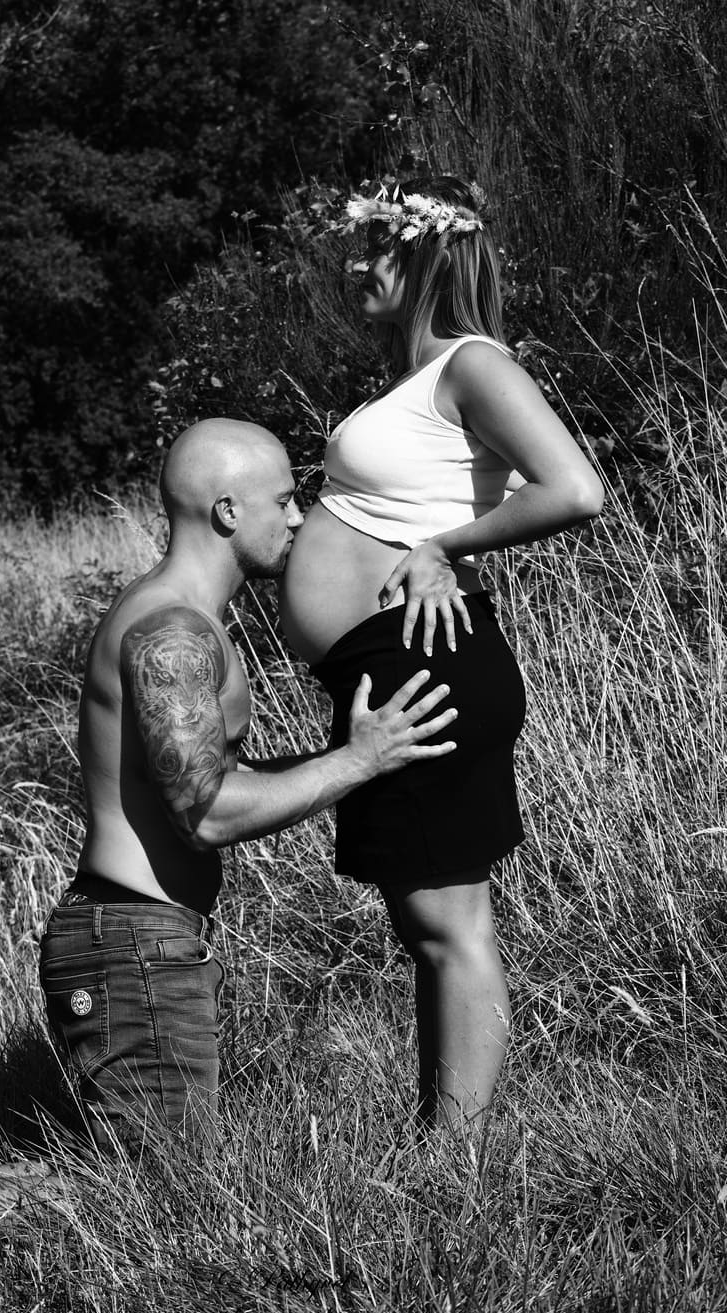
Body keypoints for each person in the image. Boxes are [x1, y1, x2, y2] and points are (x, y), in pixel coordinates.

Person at [0, 417, 458, 1236]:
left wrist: (351, 754)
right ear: (227, 511)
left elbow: (201, 778)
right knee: (153, 1203)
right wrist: (358, 762)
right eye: (284, 500)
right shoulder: (173, 631)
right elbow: (208, 811)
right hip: (131, 941)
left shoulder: (180, 618)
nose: (298, 518)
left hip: (139, 936)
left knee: (140, 1182)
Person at [279, 175, 605, 1131]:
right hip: (394, 664)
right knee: (425, 927)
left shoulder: (473, 365)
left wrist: (440, 547)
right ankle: (444, 1146)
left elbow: (575, 490)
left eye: (375, 245)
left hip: (429, 661)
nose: (357, 265)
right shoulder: (416, 378)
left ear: (425, 254)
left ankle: (452, 1165)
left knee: (450, 928)